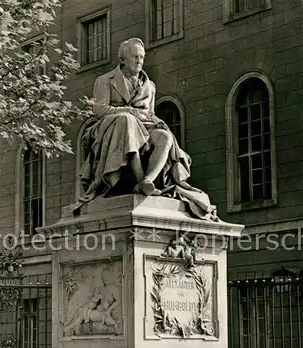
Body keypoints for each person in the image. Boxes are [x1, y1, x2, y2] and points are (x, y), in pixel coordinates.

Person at [73, 37, 218, 221]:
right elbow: (99, 109)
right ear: (123, 60)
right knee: (127, 120)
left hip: (142, 129)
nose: (139, 61)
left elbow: (149, 115)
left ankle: (147, 180)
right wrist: (129, 111)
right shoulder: (105, 81)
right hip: (109, 130)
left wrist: (157, 122)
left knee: (164, 136)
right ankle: (140, 178)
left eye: (141, 57)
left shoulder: (149, 87)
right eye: (135, 57)